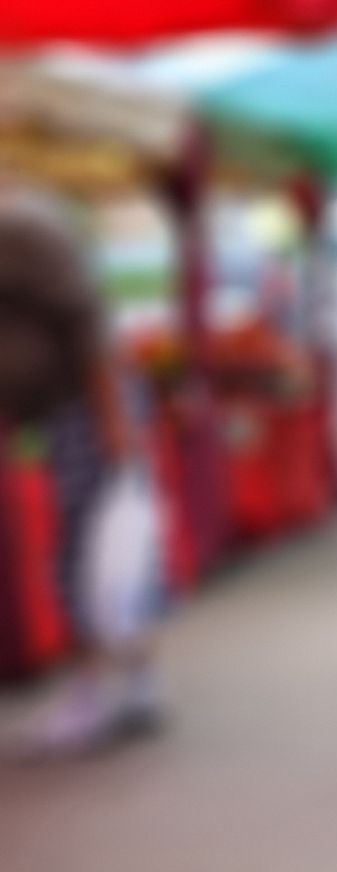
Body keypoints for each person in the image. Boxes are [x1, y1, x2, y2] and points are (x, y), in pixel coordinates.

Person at [0, 177, 165, 755]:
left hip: (85, 411)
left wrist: (113, 422)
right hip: (70, 411)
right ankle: (133, 686)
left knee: (92, 552)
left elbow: (86, 323)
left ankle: (96, 690)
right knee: (107, 551)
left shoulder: (24, 233)